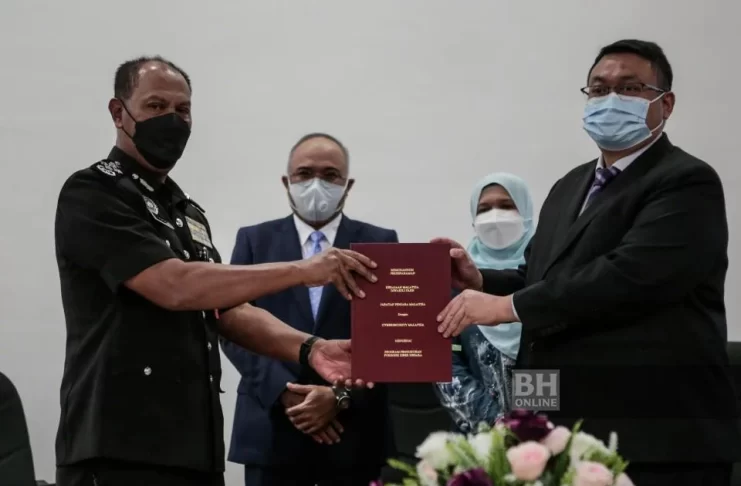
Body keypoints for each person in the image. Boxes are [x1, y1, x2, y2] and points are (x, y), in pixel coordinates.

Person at [53, 57, 378, 486]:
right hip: (119, 442)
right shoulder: (94, 192)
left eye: (182, 110)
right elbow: (174, 285)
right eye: (156, 106)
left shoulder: (188, 212)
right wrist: (302, 270)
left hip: (192, 444)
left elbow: (228, 310)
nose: (171, 120)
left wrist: (311, 348)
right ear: (119, 112)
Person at [433, 40, 741, 486]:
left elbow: (629, 276)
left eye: (629, 88)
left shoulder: (686, 181)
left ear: (666, 104)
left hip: (653, 435)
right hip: (560, 432)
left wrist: (506, 307)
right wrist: (480, 279)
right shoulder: (569, 186)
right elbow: (540, 276)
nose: (610, 99)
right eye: (598, 89)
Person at [221, 132, 399, 486]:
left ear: (347, 185)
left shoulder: (380, 243)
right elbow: (230, 327)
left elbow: (390, 338)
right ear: (286, 182)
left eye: (330, 175)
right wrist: (285, 393)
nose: (316, 184)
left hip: (352, 436)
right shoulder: (254, 240)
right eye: (304, 174)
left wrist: (340, 397)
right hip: (270, 429)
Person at [435, 173, 533, 433]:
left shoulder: (543, 277)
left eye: (507, 206)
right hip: (475, 437)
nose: (495, 215)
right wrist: (495, 423)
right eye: (484, 209)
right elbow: (444, 363)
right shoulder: (457, 278)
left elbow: (549, 350)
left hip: (541, 435)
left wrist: (529, 427)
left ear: (526, 213)